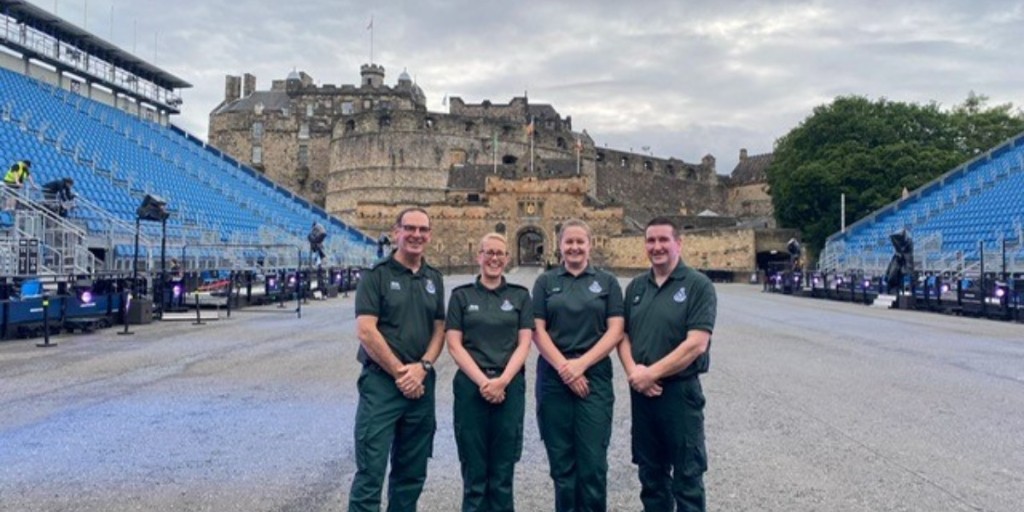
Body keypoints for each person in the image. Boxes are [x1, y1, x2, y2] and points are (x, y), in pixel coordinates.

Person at [617, 217, 717, 511]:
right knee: (651, 475)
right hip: (643, 394)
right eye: (651, 240)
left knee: (687, 476)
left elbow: (697, 343)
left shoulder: (698, 285)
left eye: (663, 240)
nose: (657, 247)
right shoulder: (636, 287)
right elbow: (622, 336)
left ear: (678, 243)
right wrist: (634, 372)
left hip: (679, 393)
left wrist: (652, 374)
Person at [349, 207, 445, 512]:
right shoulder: (376, 276)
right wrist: (402, 372)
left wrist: (424, 367)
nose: (416, 235)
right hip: (382, 384)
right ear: (396, 233)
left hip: (421, 385)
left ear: (429, 235)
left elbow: (439, 329)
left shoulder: (434, 278)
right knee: (370, 471)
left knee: (411, 473)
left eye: (423, 230)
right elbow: (366, 331)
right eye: (410, 229)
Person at [532, 218, 624, 512]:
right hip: (554, 376)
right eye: (568, 242)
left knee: (593, 464)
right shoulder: (545, 282)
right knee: (562, 464)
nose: (574, 247)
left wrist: (580, 365)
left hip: (593, 375)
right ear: (559, 246)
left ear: (590, 244)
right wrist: (566, 368)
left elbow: (616, 330)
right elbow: (537, 330)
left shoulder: (607, 282)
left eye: (579, 241)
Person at [446, 233, 533, 512]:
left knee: (503, 469)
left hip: (509, 386)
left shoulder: (520, 296)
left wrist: (503, 380)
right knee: (474, 469)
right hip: (473, 386)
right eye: (489, 253)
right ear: (478, 256)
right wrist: (485, 382)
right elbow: (454, 345)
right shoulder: (461, 297)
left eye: (500, 253)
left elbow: (524, 343)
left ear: (507, 258)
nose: (494, 258)